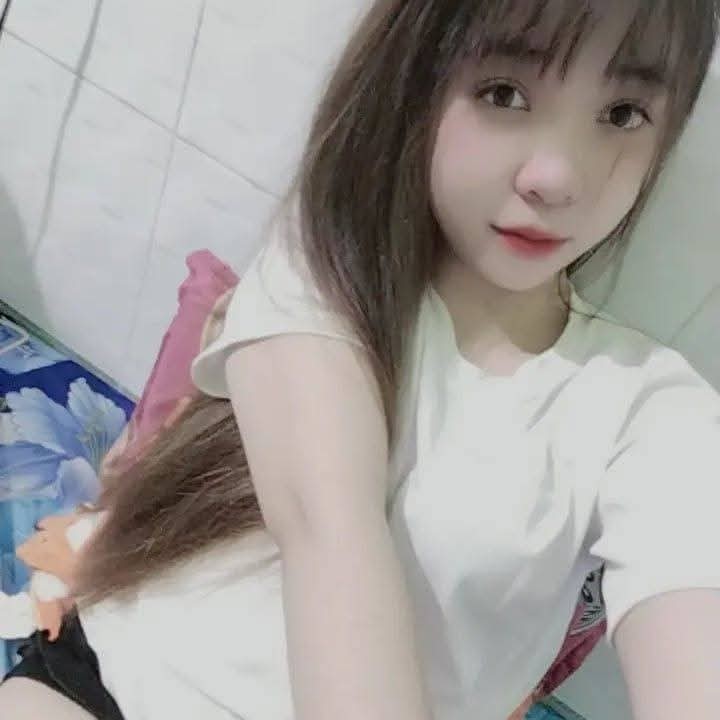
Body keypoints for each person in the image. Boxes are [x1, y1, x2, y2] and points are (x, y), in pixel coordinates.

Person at [2, 0, 720, 718]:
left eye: (623, 113)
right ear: (414, 84)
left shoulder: (651, 408)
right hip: (113, 680)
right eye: (504, 93)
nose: (557, 177)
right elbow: (330, 531)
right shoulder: (326, 269)